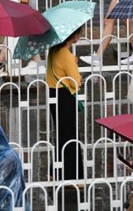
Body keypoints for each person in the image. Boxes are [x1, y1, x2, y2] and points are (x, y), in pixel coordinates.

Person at [46, 26, 84, 180]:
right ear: (73, 35)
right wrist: (74, 64)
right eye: (79, 32)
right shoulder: (66, 55)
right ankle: (73, 175)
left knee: (61, 136)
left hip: (53, 94)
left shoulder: (53, 51)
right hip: (65, 98)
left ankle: (53, 172)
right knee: (71, 137)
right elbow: (76, 82)